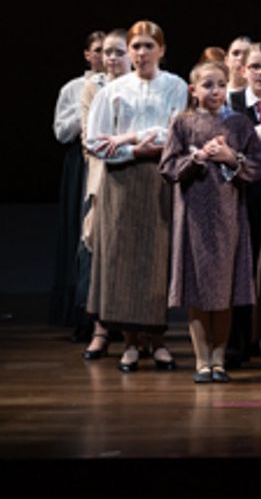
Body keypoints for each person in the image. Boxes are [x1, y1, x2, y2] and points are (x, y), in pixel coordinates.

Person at [84, 20, 187, 372]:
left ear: (161, 49)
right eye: (136, 47)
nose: (142, 53)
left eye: (148, 46)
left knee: (156, 258)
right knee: (123, 258)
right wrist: (134, 151)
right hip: (122, 180)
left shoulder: (175, 86)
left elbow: (173, 132)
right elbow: (96, 140)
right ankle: (129, 342)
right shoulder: (113, 90)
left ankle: (157, 340)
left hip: (160, 177)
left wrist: (129, 138)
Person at [160, 61, 261, 383]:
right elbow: (168, 167)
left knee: (223, 288)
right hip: (193, 214)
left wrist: (231, 158)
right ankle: (202, 359)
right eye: (207, 85)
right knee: (198, 289)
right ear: (194, 90)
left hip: (228, 214)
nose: (215, 91)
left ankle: (219, 359)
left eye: (220, 84)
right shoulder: (183, 123)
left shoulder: (239, 124)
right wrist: (198, 157)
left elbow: (257, 167)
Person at [76, 30, 131, 360]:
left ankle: (141, 333)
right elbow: (89, 138)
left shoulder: (144, 86)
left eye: (118, 52)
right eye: (107, 52)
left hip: (140, 173)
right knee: (99, 252)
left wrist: (126, 143)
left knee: (135, 254)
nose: (111, 58)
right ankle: (101, 329)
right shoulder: (93, 88)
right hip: (103, 175)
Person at [226, 41, 261, 368]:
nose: (260, 73)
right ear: (243, 70)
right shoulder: (231, 103)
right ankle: (238, 344)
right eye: (254, 67)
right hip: (241, 194)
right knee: (241, 271)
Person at [52, 30, 106, 331]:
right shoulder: (73, 88)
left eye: (108, 50)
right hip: (79, 161)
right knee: (80, 230)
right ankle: (78, 314)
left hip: (106, 158)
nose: (102, 56)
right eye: (97, 50)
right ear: (87, 55)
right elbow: (61, 132)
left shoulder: (119, 85)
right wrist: (87, 104)